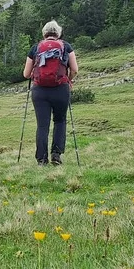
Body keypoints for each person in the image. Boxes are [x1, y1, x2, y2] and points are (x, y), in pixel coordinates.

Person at [23, 20, 78, 165]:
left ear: (44, 33)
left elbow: (26, 74)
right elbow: (75, 70)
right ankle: (56, 155)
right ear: (58, 33)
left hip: (40, 91)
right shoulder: (66, 46)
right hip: (60, 89)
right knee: (60, 121)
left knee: (42, 125)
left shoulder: (36, 48)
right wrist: (68, 79)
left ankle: (41, 159)